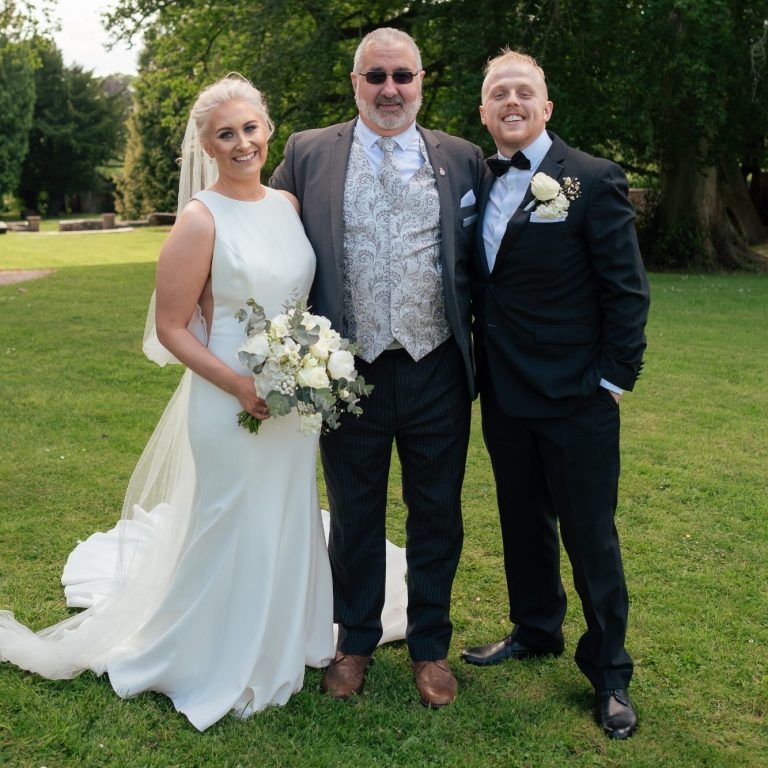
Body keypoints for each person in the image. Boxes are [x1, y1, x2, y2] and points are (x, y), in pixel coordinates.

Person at [0, 75, 406, 731]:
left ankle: (285, 638)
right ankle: (213, 655)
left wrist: (307, 364)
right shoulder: (199, 219)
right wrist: (242, 384)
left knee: (284, 516)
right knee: (230, 524)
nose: (242, 143)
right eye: (226, 134)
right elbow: (172, 326)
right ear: (207, 146)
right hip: (230, 401)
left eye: (250, 128)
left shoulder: (288, 205)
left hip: (293, 402)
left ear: (267, 130)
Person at [270, 27, 486, 708]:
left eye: (403, 76)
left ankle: (430, 648)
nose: (390, 89)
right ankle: (355, 640)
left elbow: (487, 258)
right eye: (376, 77)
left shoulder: (464, 157)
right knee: (357, 513)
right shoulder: (308, 152)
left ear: (422, 81)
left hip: (437, 368)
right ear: (355, 83)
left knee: (437, 514)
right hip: (348, 371)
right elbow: (265, 232)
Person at [462, 49, 650, 739]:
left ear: (546, 107)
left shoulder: (592, 179)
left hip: (576, 396)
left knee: (591, 535)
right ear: (484, 112)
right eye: (497, 93)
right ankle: (535, 627)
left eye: (524, 91)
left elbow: (625, 290)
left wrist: (613, 379)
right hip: (504, 392)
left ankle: (609, 672)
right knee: (522, 521)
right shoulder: (473, 179)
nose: (511, 101)